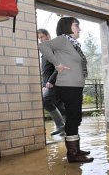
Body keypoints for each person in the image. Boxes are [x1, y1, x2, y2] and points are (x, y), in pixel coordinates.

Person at [38, 17, 93, 163]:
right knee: (73, 118)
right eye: (77, 25)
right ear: (68, 26)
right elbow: (43, 47)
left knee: (75, 118)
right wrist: (57, 64)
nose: (79, 28)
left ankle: (75, 149)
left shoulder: (73, 43)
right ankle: (73, 154)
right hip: (68, 85)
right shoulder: (63, 39)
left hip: (75, 86)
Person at [37, 29, 66, 136]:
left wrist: (50, 81)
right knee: (59, 104)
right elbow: (45, 70)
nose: (40, 40)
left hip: (56, 82)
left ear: (48, 36)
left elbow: (59, 67)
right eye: (39, 38)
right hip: (49, 84)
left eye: (42, 37)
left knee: (45, 101)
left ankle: (61, 126)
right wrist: (44, 85)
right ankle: (66, 129)